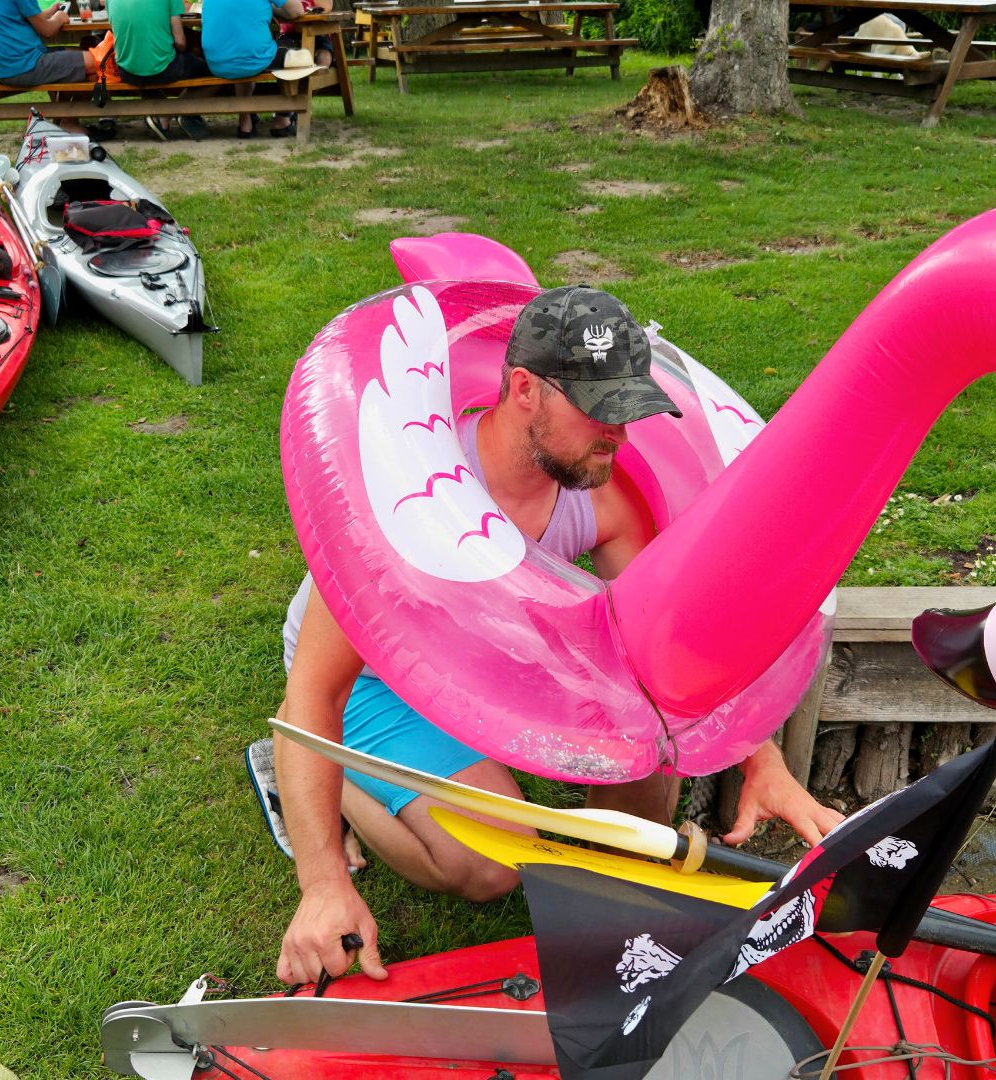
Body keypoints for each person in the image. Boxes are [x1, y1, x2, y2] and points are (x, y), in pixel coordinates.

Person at [268, 286, 845, 987]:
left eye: (629, 411)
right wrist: (323, 880)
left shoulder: (602, 499)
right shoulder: (406, 499)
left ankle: (606, 898)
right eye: (600, 411)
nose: (619, 436)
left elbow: (663, 656)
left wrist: (763, 762)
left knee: (651, 761)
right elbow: (315, 694)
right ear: (523, 391)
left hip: (488, 652)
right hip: (376, 681)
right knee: (491, 862)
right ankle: (319, 788)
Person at [105, 0, 211, 141]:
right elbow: (180, 42)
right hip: (164, 69)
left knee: (145, 66)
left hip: (127, 71)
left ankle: (162, 115)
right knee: (212, 72)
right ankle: (171, 112)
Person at [200, 0, 306, 138]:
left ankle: (245, 122)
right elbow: (297, 11)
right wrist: (273, 8)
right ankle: (283, 118)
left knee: (245, 48)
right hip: (254, 59)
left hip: (216, 62)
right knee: (297, 50)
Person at [0, 0, 97, 85]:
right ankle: (68, 114)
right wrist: (59, 18)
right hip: (24, 66)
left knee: (85, 60)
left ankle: (67, 114)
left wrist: (50, 12)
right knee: (97, 60)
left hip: (4, 69)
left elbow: (27, 16)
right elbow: (47, 30)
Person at [270, 0, 331, 138]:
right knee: (285, 58)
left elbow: (326, 7)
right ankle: (286, 113)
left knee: (324, 57)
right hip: (288, 34)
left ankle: (295, 108)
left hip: (318, 32)